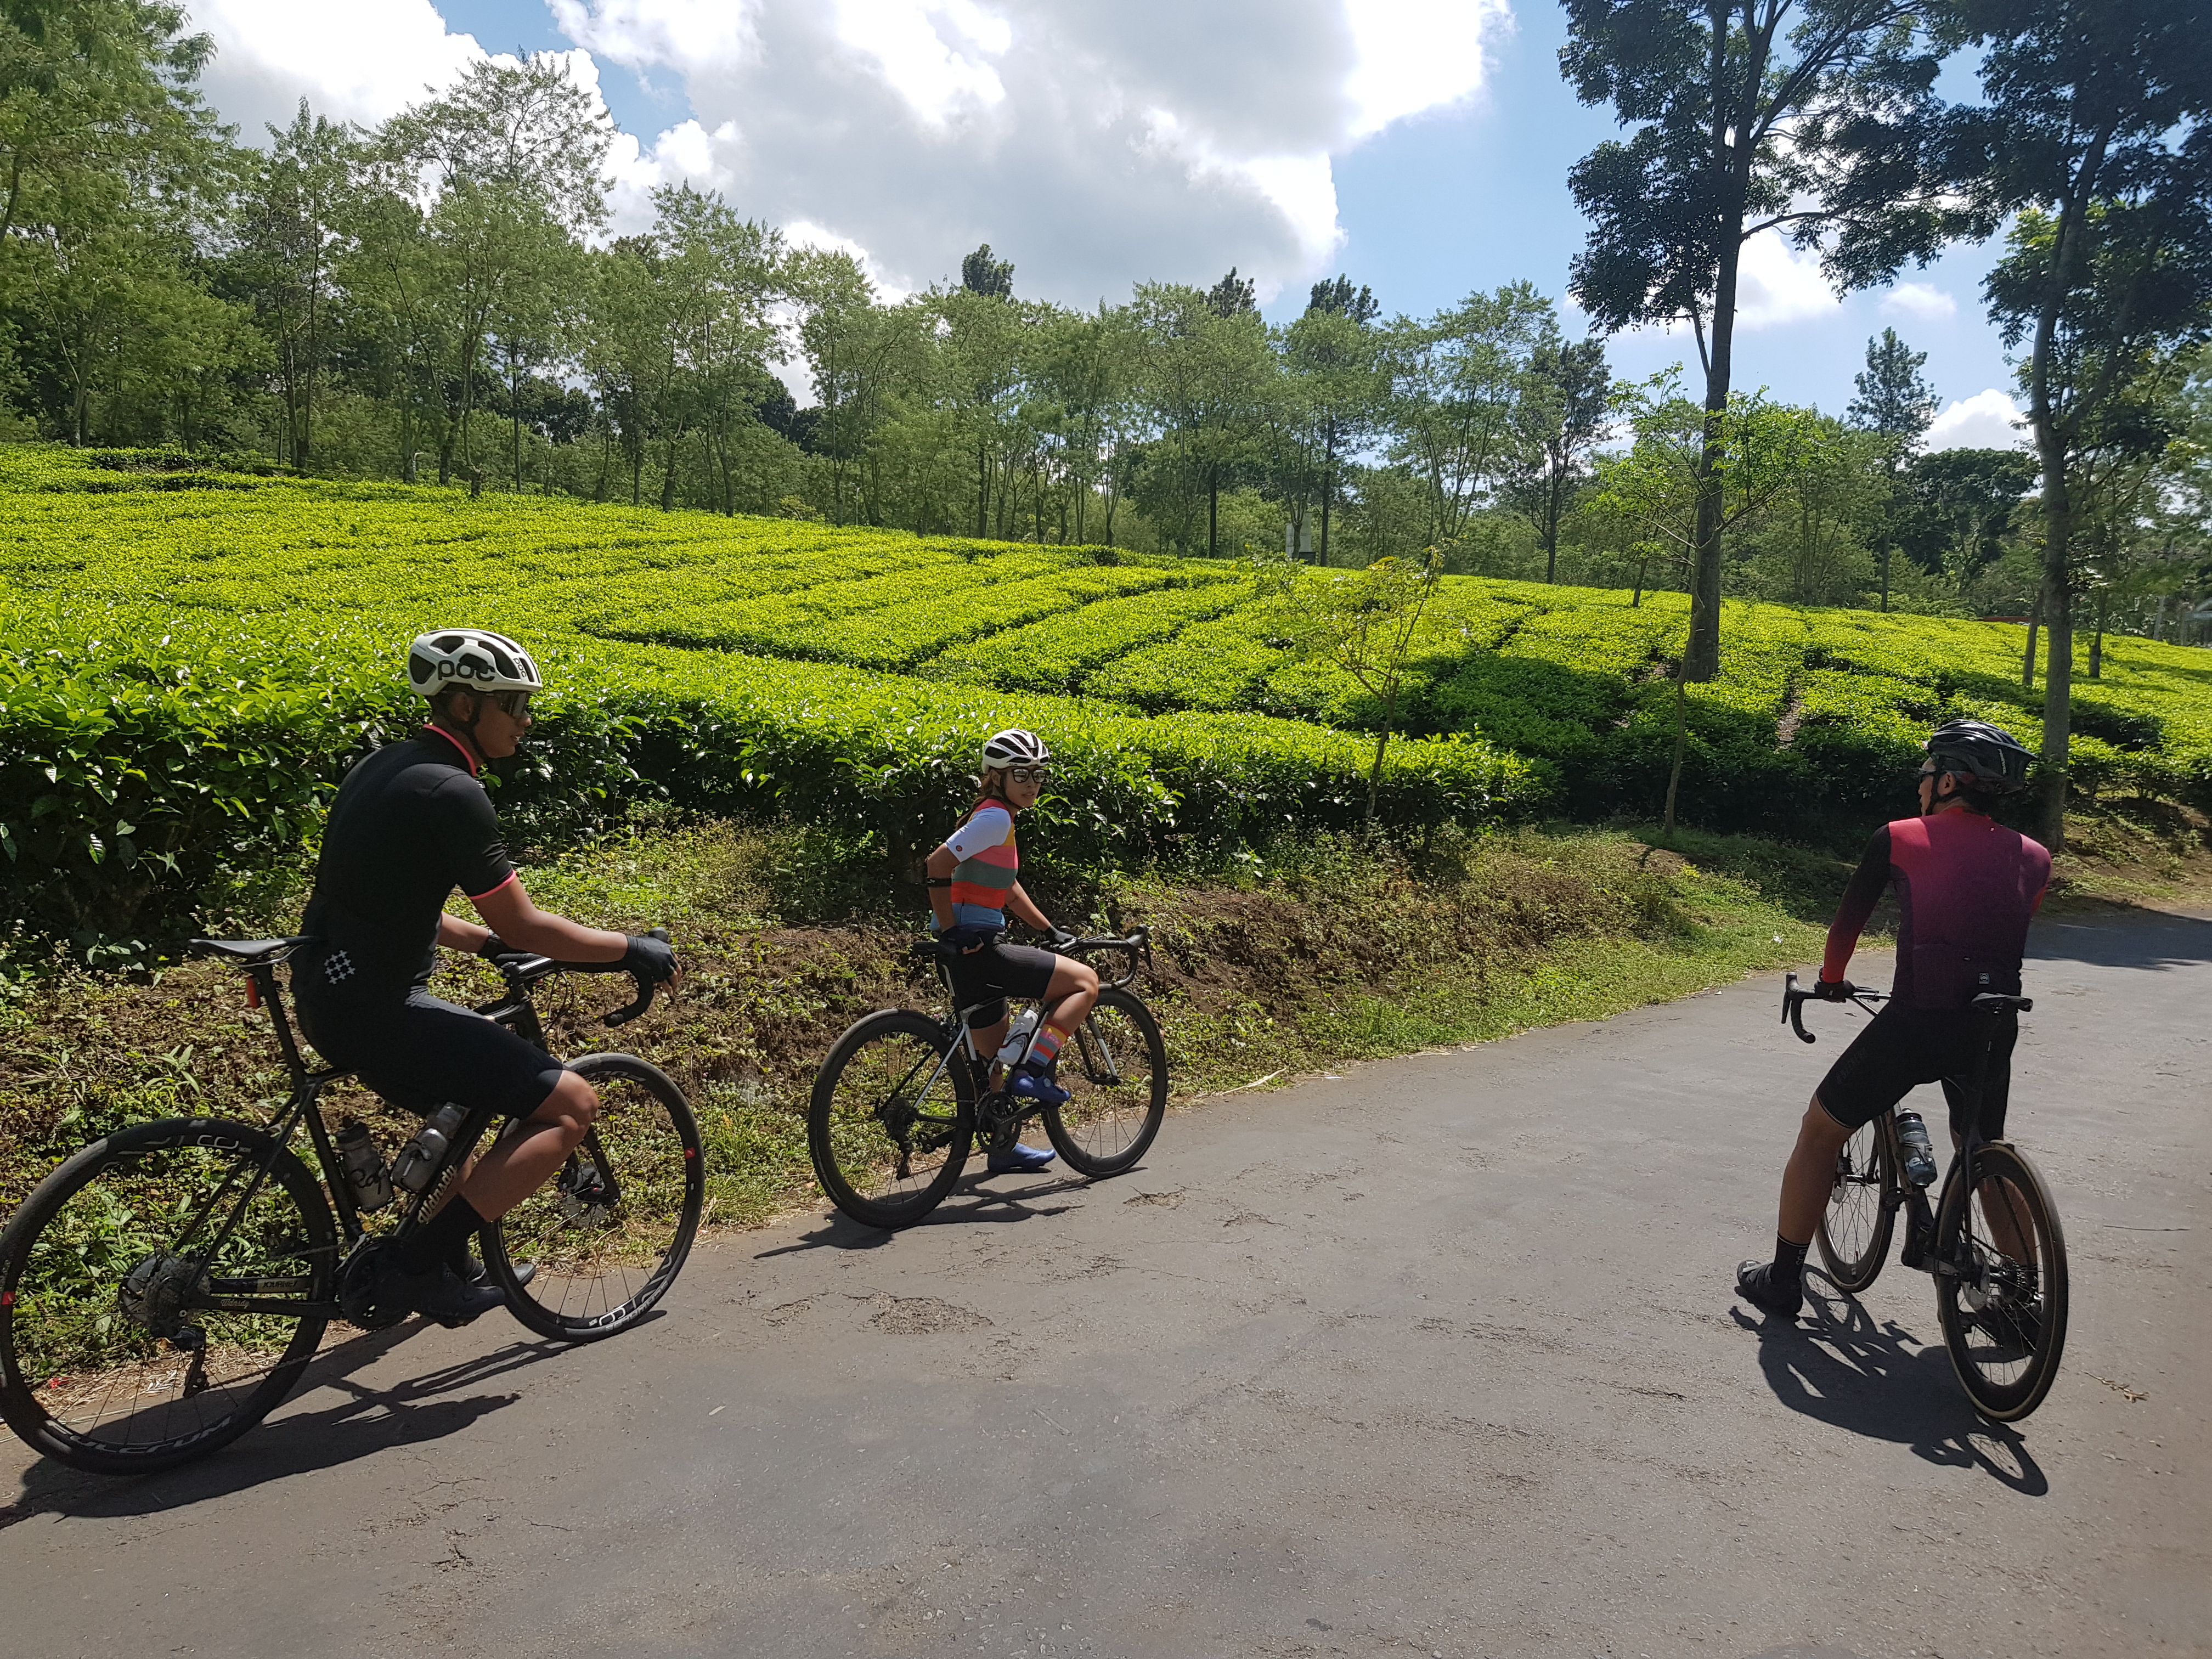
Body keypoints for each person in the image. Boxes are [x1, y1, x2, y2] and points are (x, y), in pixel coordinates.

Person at [293, 629, 680, 1323]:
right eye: (515, 706)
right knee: (570, 1106)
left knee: (470, 1106)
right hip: (383, 1010)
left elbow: (389, 898)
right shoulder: (452, 791)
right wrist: (629, 949)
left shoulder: (384, 766)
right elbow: (527, 927)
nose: (526, 722)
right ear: (468, 705)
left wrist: (478, 943)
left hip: (328, 996)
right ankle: (417, 1269)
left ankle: (450, 1257)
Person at [1736, 719, 2050, 1320]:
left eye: (1927, 774)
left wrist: (1831, 982)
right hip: (1992, 1023)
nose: (1920, 785)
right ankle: (2023, 1301)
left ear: (1951, 780)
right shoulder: (2036, 858)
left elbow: (1848, 924)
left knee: (1821, 1130)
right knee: (1982, 1146)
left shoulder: (1900, 837)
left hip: (1917, 1020)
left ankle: (1781, 1281)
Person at [923, 728, 1100, 1175]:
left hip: (961, 953)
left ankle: (1001, 1147)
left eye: (1039, 774)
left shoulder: (988, 817)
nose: (1032, 782)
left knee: (991, 1056)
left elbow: (1006, 887)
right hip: (978, 948)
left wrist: (1048, 929)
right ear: (995, 776)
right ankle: (1036, 1072)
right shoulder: (997, 818)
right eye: (1020, 773)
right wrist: (951, 929)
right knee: (1085, 982)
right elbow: (936, 865)